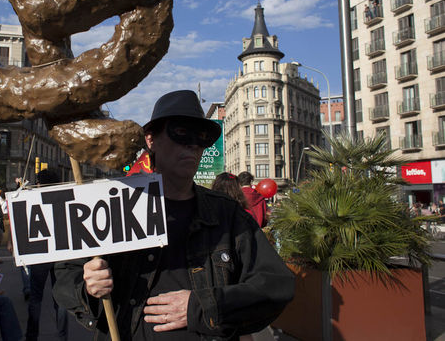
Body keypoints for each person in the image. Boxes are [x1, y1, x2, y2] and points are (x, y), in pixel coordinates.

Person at [53, 90, 294, 340]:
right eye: (180, 132)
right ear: (151, 140)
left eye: (201, 137)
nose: (193, 145)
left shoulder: (226, 215)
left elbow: (276, 285)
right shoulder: (113, 206)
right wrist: (89, 287)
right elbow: (65, 276)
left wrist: (203, 307)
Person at [26, 169, 68, 341]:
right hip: (60, 253)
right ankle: (63, 337)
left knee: (36, 297)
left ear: (40, 183)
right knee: (61, 299)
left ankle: (31, 336)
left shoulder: (33, 199)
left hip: (40, 254)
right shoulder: (63, 199)